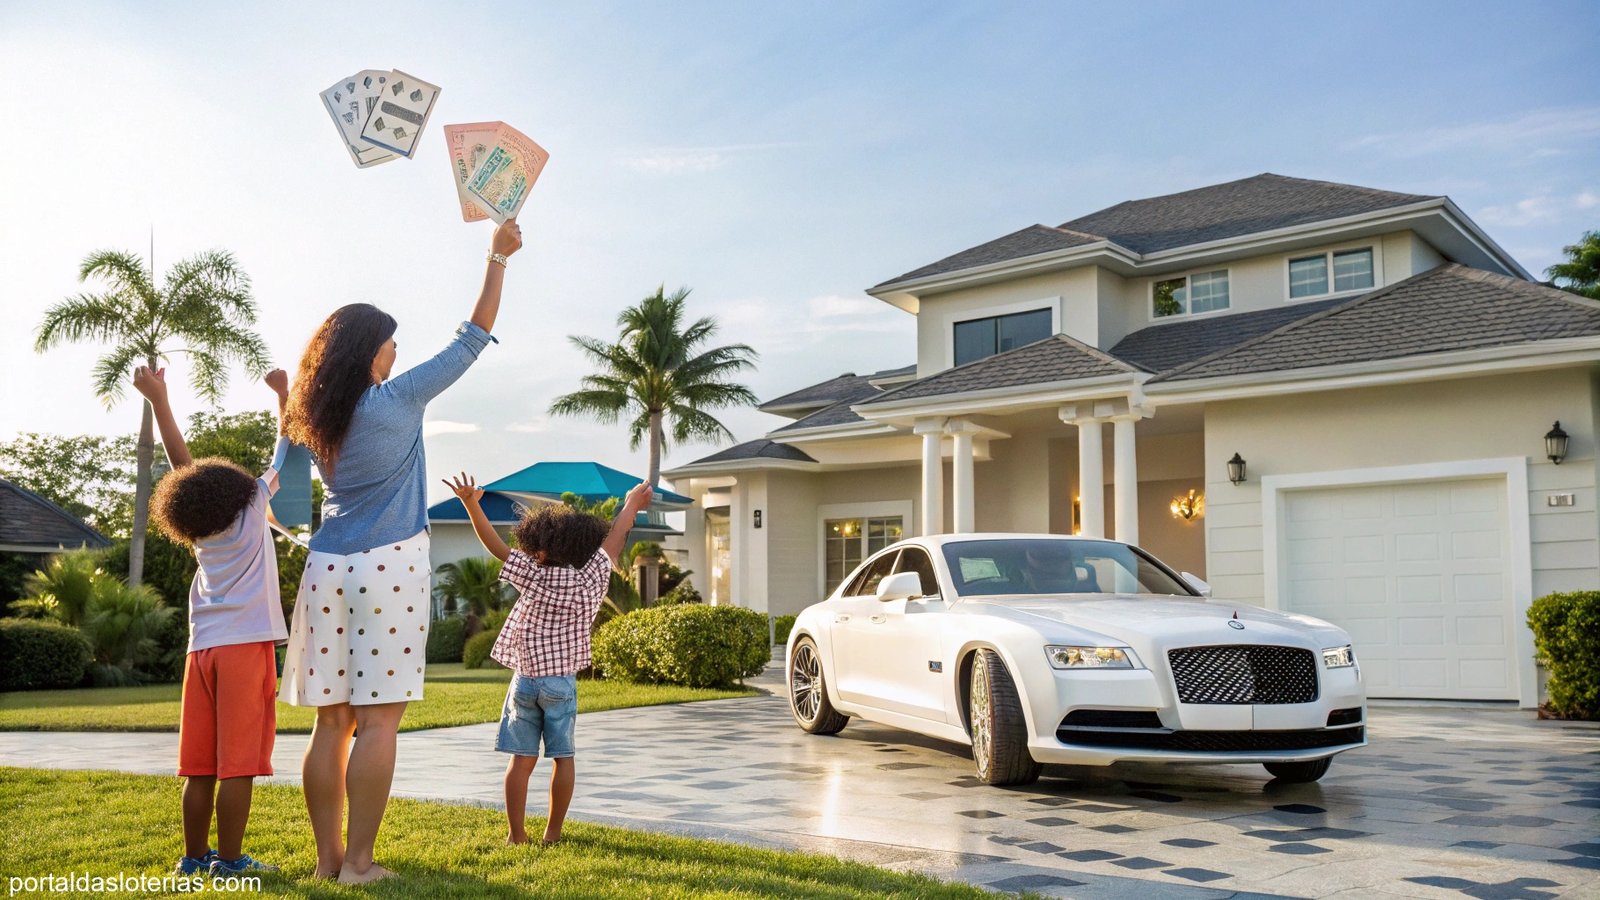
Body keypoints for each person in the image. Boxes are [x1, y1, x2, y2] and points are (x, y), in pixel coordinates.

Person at [276, 218, 523, 883]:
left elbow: (283, 496)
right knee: (378, 723)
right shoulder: (398, 398)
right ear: (369, 352)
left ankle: (328, 864)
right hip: (389, 566)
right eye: (389, 344)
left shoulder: (314, 417)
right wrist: (497, 256)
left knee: (332, 724)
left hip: (325, 566)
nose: (394, 354)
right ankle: (360, 862)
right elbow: (472, 338)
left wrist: (283, 400)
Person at [134, 363, 292, 880]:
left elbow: (182, 468)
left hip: (200, 651)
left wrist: (160, 400)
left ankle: (193, 857)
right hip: (245, 649)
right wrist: (282, 397)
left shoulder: (200, 529)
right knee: (238, 763)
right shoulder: (253, 502)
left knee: (199, 764)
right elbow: (282, 452)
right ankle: (229, 861)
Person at [443, 472, 653, 846]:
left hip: (525, 681)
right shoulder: (592, 576)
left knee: (520, 762)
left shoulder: (533, 574)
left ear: (540, 549)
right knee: (563, 758)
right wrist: (632, 504)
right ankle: (552, 834)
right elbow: (616, 537)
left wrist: (471, 504)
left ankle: (516, 835)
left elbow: (495, 547)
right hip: (561, 684)